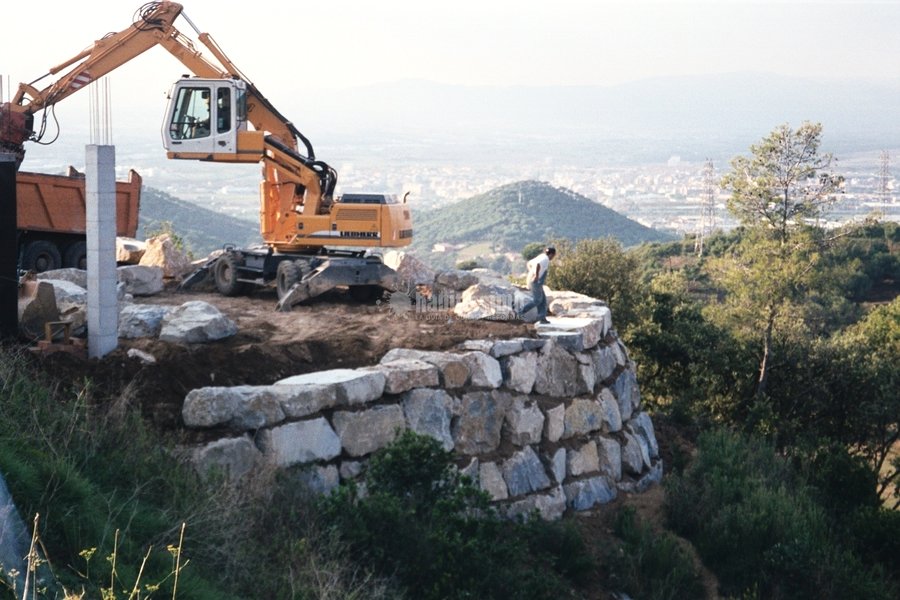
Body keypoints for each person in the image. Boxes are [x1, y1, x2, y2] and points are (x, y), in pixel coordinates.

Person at [518, 246, 556, 323]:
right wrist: (536, 275)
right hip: (536, 281)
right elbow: (538, 264)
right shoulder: (545, 259)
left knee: (543, 300)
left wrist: (531, 272)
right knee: (537, 300)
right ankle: (520, 312)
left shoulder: (542, 256)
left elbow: (529, 263)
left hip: (534, 280)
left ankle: (542, 318)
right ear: (552, 254)